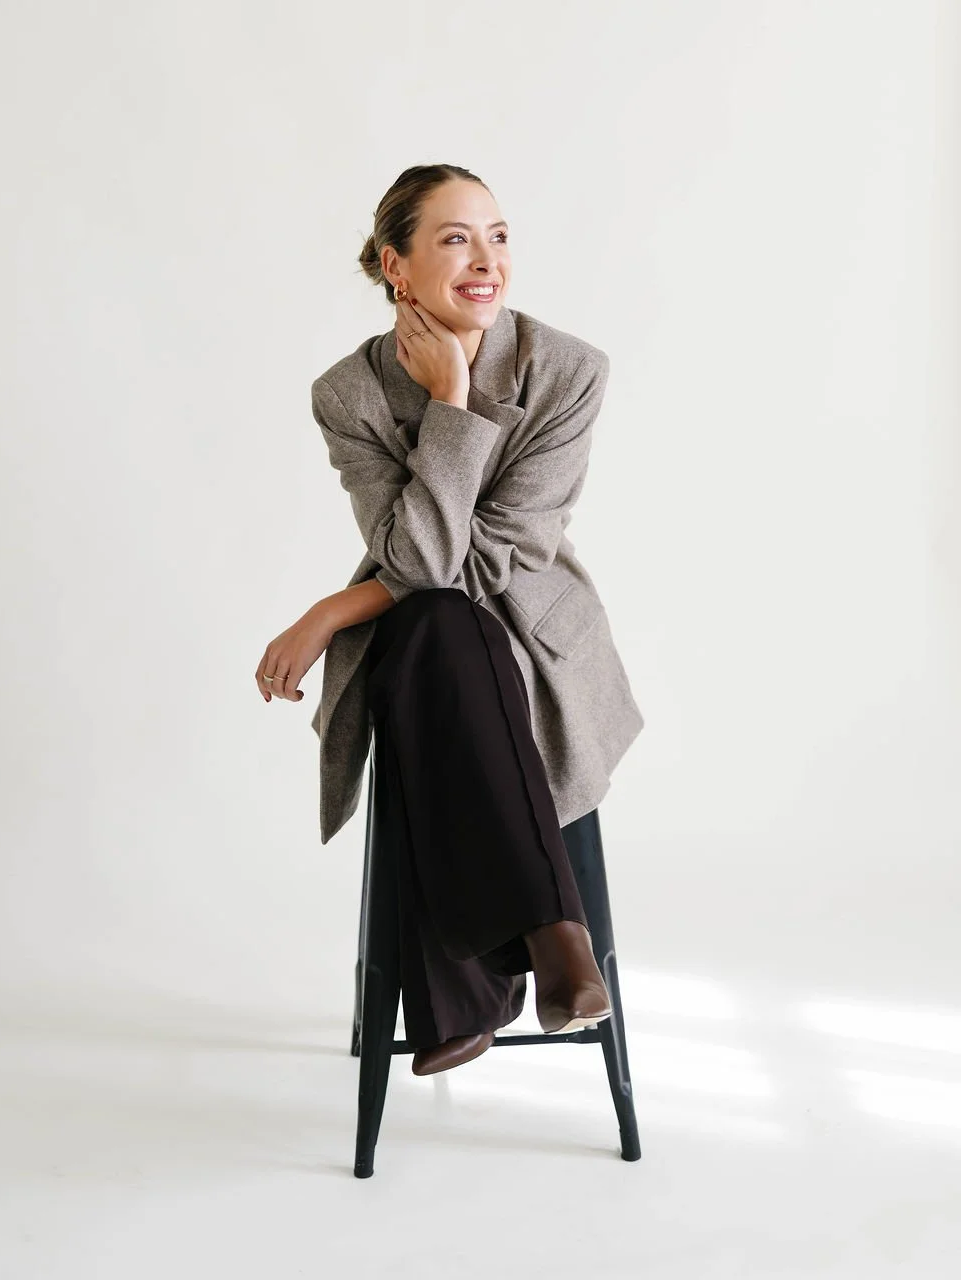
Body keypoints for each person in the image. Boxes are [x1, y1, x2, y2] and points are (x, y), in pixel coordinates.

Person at [254, 164, 644, 1077]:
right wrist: (450, 403)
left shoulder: (567, 370)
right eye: (456, 238)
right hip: (435, 641)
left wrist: (335, 607)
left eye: (499, 235)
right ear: (398, 266)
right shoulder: (349, 394)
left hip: (536, 646)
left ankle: (461, 998)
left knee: (437, 634)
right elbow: (426, 566)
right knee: (436, 628)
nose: (486, 260)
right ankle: (554, 940)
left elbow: (491, 556)